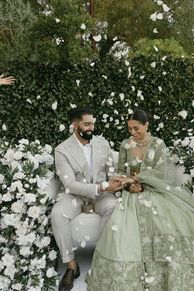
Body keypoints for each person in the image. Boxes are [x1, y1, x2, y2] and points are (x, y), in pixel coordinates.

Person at [86, 109, 194, 290]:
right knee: (120, 225)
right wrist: (126, 184)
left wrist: (136, 179)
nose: (133, 133)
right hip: (131, 192)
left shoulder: (158, 144)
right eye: (130, 129)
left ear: (147, 125)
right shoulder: (126, 144)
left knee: (176, 221)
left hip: (156, 190)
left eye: (136, 128)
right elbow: (119, 170)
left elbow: (160, 172)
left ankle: (170, 272)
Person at [51, 107, 122, 291]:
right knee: (58, 214)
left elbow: (111, 171)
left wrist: (116, 183)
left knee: (113, 207)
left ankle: (104, 261)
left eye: (93, 123)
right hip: (75, 195)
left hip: (102, 194)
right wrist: (100, 187)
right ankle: (71, 267)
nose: (92, 127)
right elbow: (70, 184)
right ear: (75, 125)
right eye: (87, 124)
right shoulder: (62, 150)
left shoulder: (102, 143)